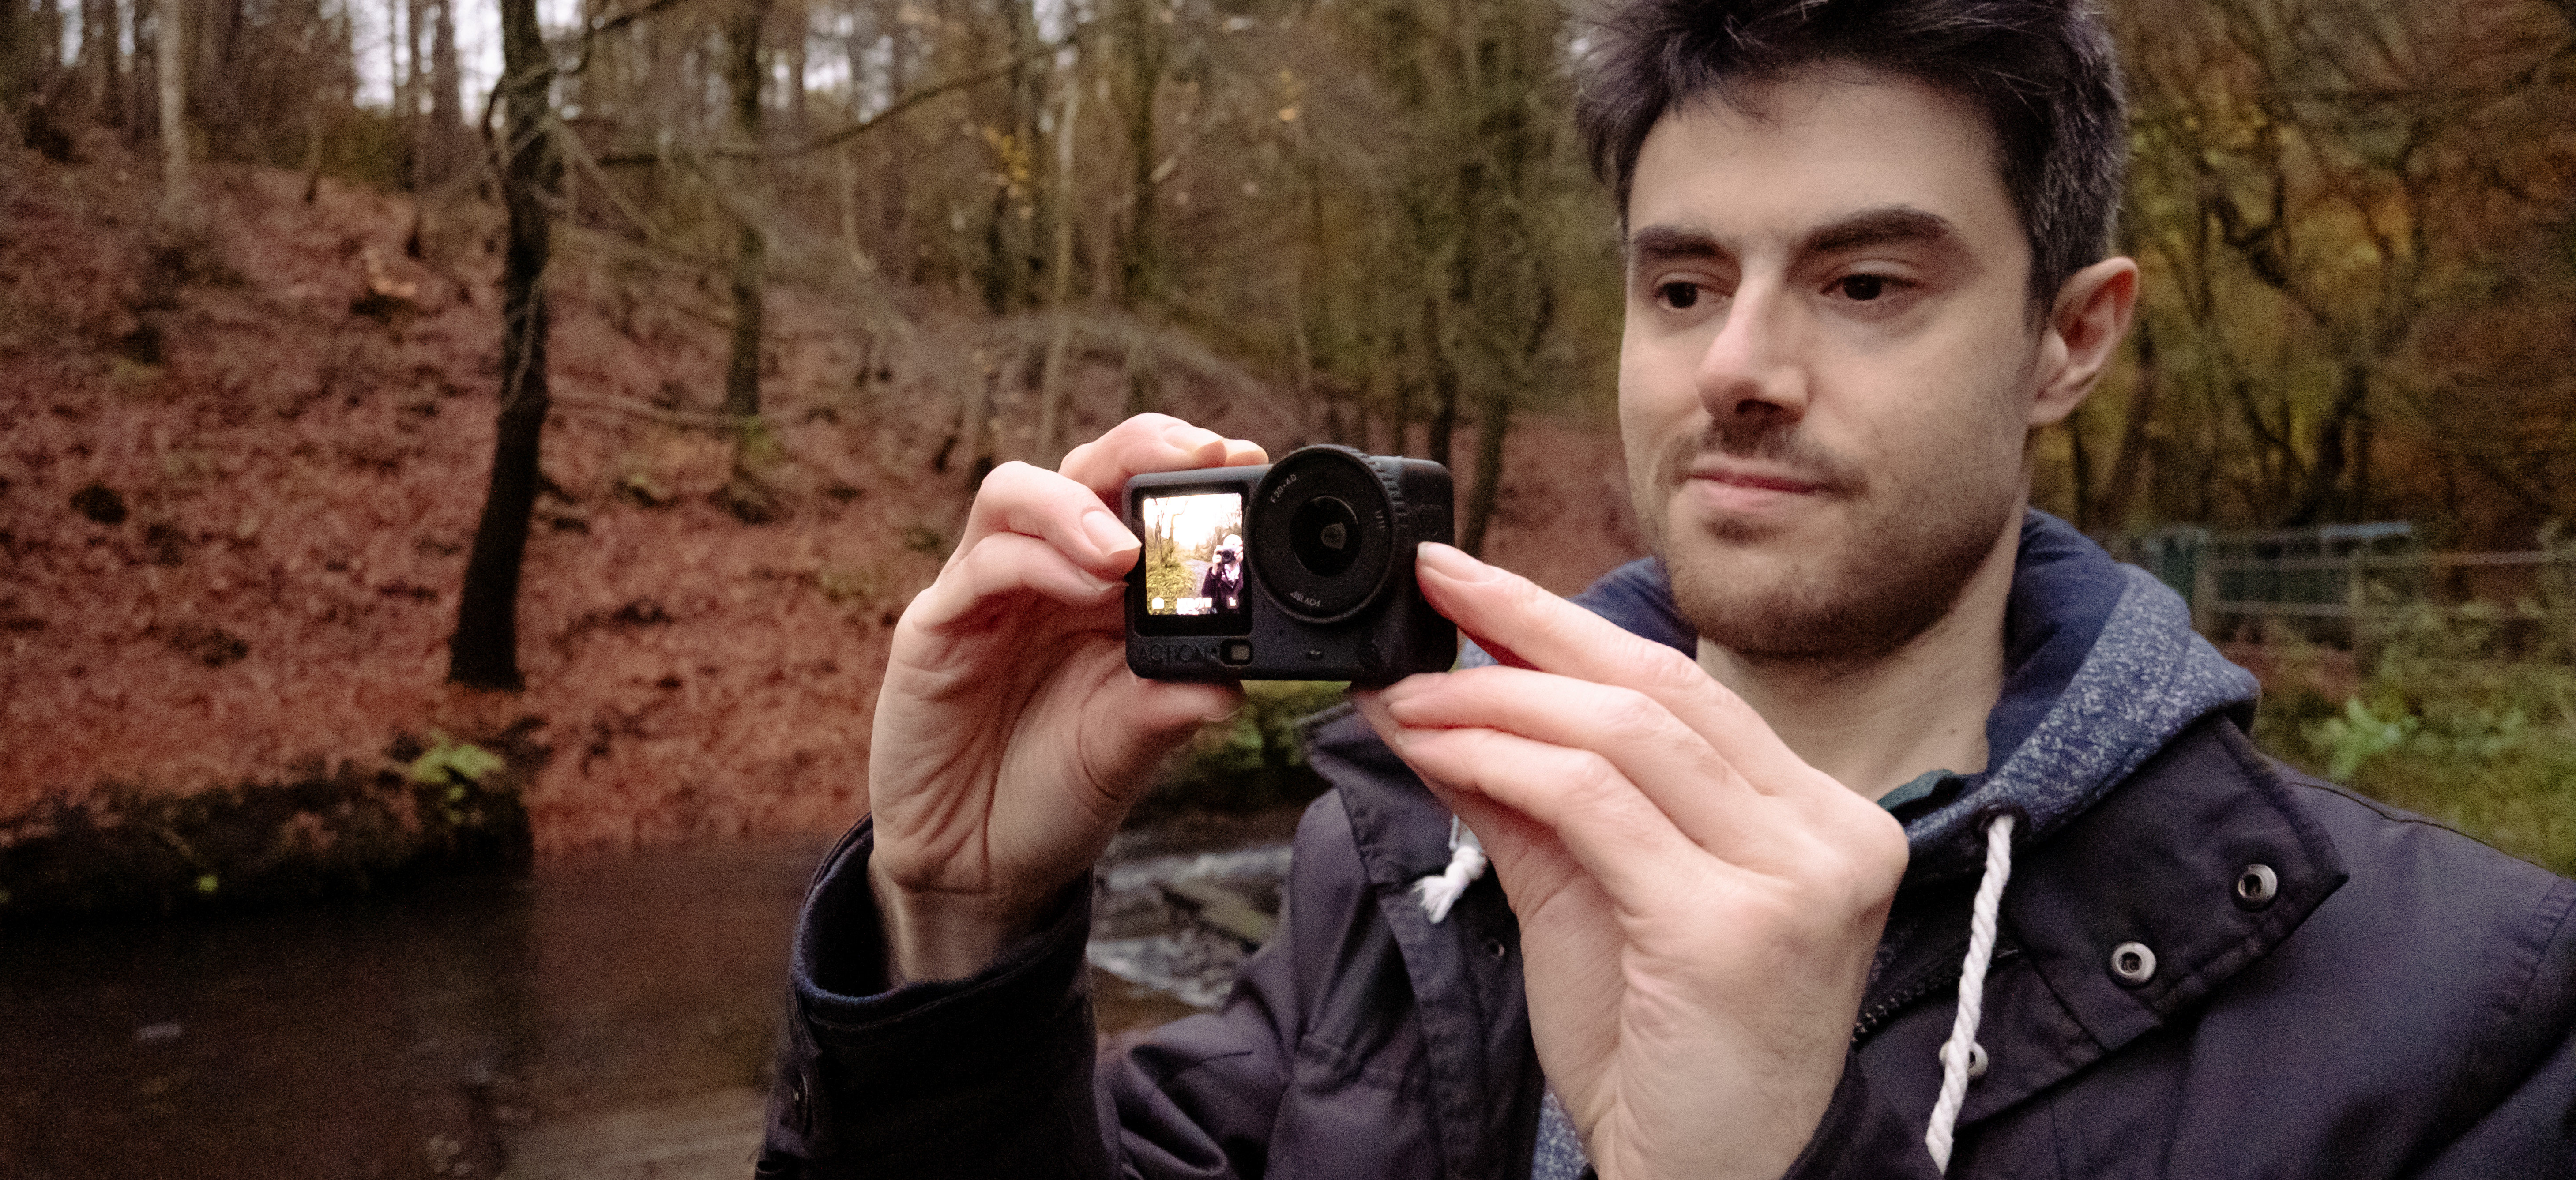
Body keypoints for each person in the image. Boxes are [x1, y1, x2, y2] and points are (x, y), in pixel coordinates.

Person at [755, 0, 2576, 1176]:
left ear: (2069, 340)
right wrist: (956, 947)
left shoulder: (2462, 1027)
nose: (1739, 369)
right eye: (1684, 286)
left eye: (1866, 284)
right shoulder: (1399, 876)